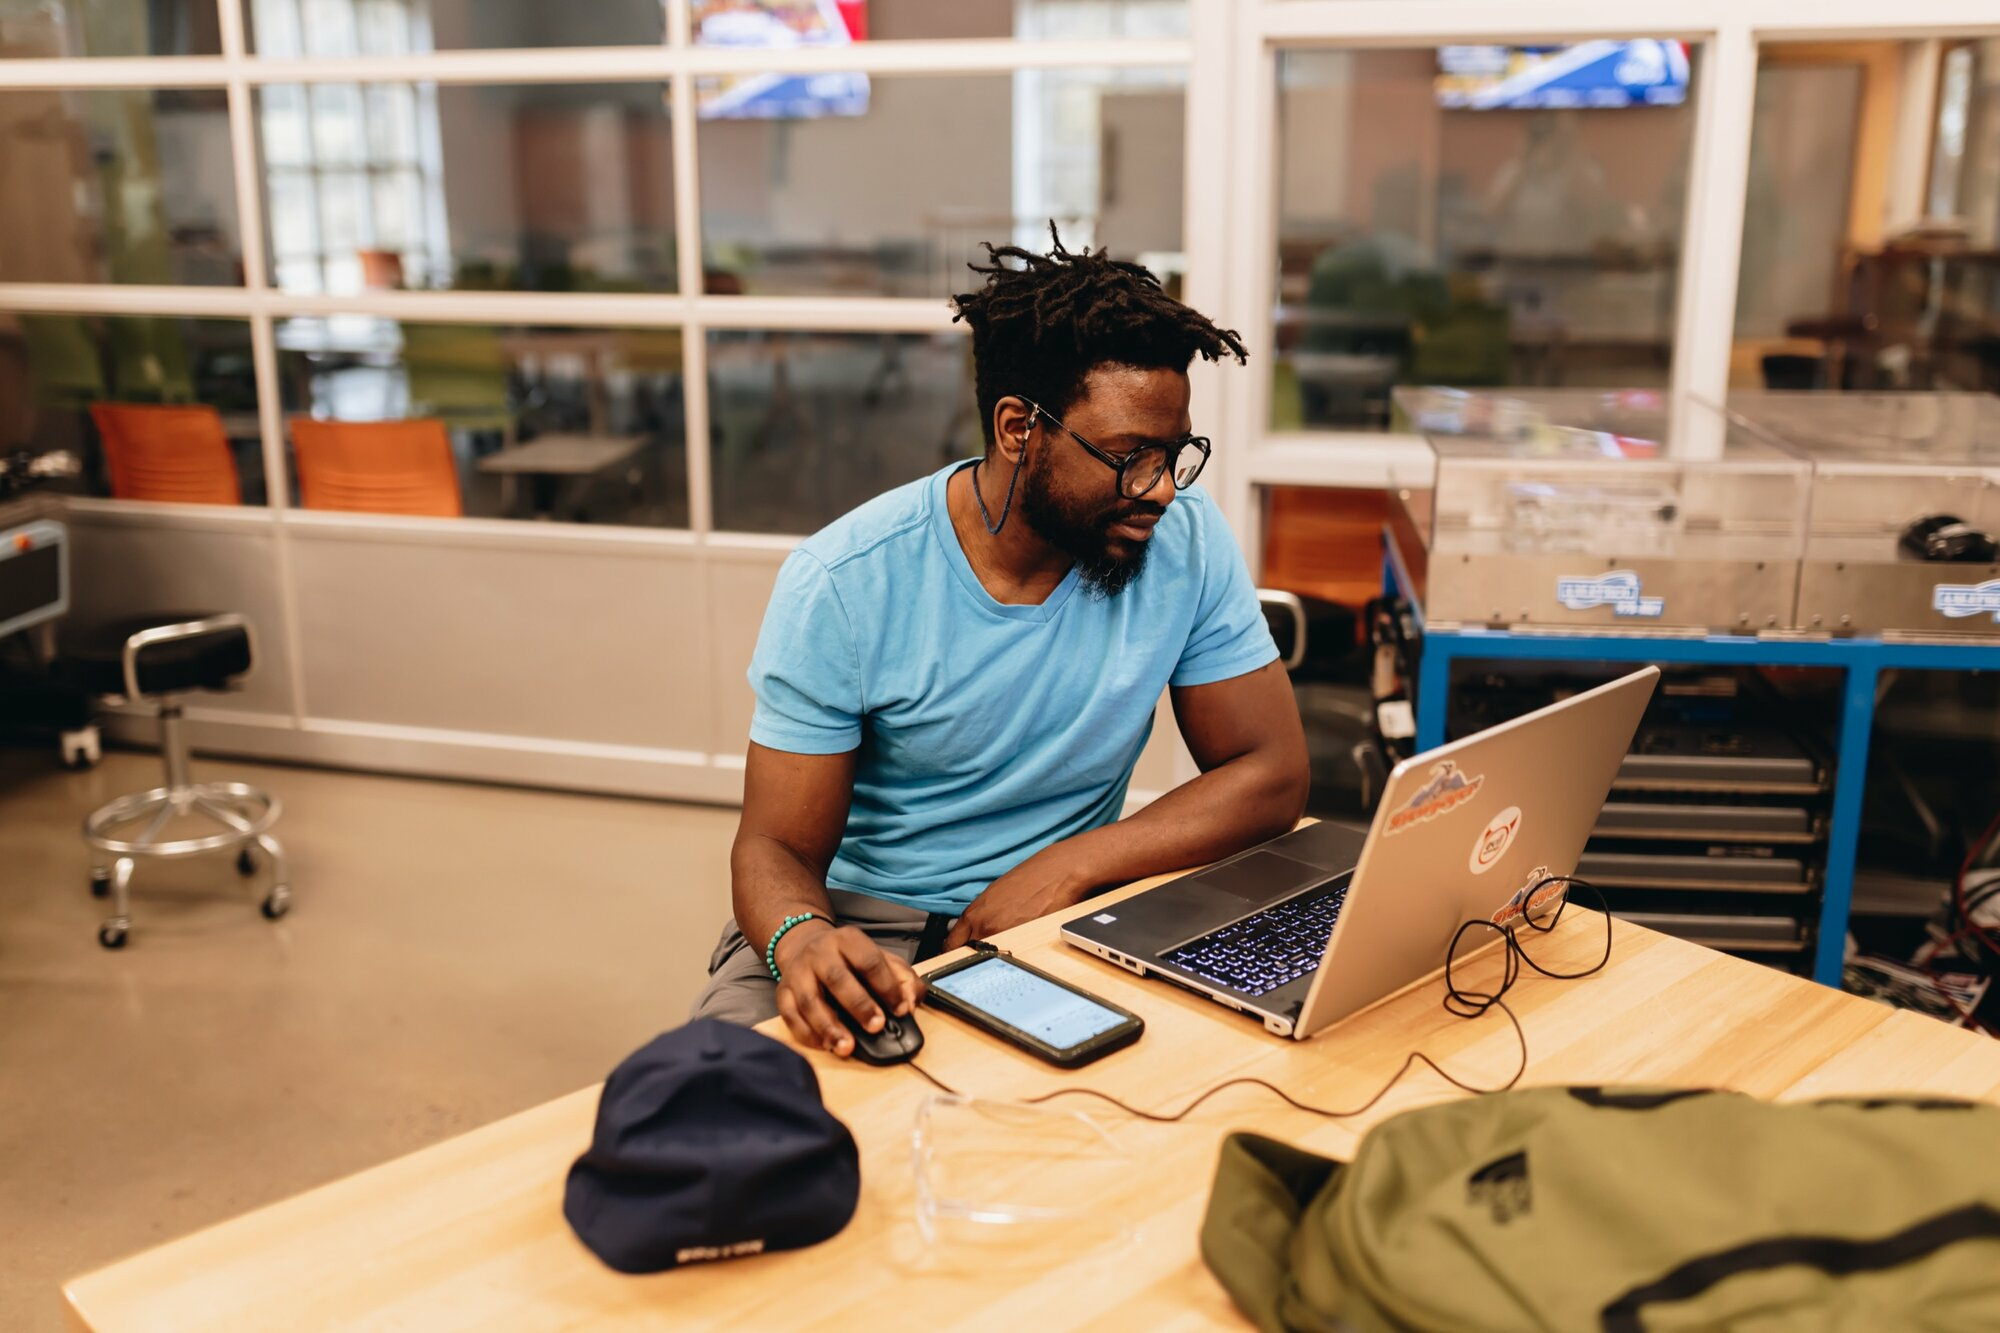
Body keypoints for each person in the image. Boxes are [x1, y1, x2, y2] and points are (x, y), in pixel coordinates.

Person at [691, 227, 1310, 1056]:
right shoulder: (846, 580)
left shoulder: (1185, 542)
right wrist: (801, 939)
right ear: (1019, 427)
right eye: (1128, 457)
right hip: (861, 925)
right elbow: (773, 845)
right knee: (725, 1116)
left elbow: (1271, 773)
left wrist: (1069, 868)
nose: (1160, 490)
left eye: (1173, 454)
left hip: (1069, 917)